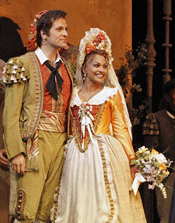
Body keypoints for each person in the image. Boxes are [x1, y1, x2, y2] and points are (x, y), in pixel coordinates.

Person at [50, 28, 146, 223]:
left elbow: (120, 129)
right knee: (77, 204)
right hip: (76, 156)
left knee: (104, 206)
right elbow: (68, 127)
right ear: (84, 68)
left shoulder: (111, 94)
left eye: (104, 66)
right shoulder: (73, 94)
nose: (101, 70)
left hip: (104, 153)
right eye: (96, 65)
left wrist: (132, 160)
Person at [3, 10, 74, 223]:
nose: (65, 34)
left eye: (66, 29)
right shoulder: (21, 64)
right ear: (44, 34)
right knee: (26, 211)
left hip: (61, 144)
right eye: (59, 29)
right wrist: (16, 152)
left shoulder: (68, 69)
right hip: (34, 143)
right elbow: (11, 113)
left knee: (48, 212)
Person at [143, 79, 175, 223]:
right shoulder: (155, 119)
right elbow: (150, 153)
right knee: (166, 216)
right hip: (167, 178)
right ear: (168, 97)